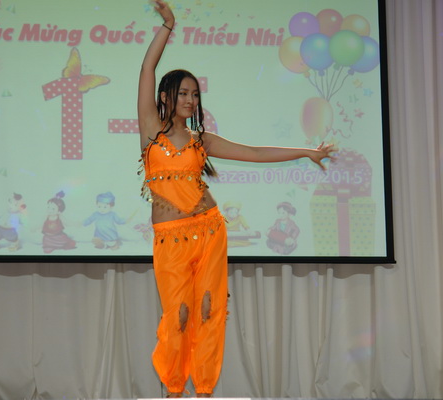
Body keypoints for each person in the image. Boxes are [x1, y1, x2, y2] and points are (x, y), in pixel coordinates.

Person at [138, 1, 337, 397]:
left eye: (195, 94)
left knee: (208, 310)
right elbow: (147, 69)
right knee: (178, 314)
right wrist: (168, 26)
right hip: (170, 239)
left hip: (208, 230)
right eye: (183, 93)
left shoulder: (202, 141)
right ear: (165, 96)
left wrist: (305, 152)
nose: (190, 100)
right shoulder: (150, 130)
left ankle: (204, 390)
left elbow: (256, 153)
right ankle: (174, 390)